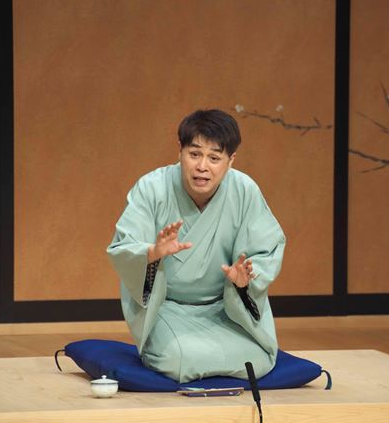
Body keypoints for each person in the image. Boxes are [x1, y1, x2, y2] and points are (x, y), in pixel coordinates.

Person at [107, 109, 286, 383]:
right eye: (194, 154)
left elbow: (265, 250)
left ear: (231, 160)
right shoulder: (152, 188)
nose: (202, 166)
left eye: (214, 158)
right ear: (180, 150)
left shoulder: (244, 190)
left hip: (226, 309)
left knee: (258, 358)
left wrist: (243, 281)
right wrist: (153, 253)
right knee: (180, 359)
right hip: (167, 309)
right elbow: (125, 247)